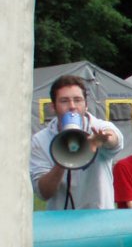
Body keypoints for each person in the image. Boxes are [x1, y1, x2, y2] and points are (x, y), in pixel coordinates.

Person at [30, 74, 124, 210]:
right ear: (53, 107)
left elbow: (115, 140)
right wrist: (62, 160)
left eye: (78, 100)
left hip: (99, 216)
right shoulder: (40, 140)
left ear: (86, 105)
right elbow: (44, 192)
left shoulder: (98, 127)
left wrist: (105, 139)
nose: (72, 106)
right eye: (64, 101)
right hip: (62, 219)